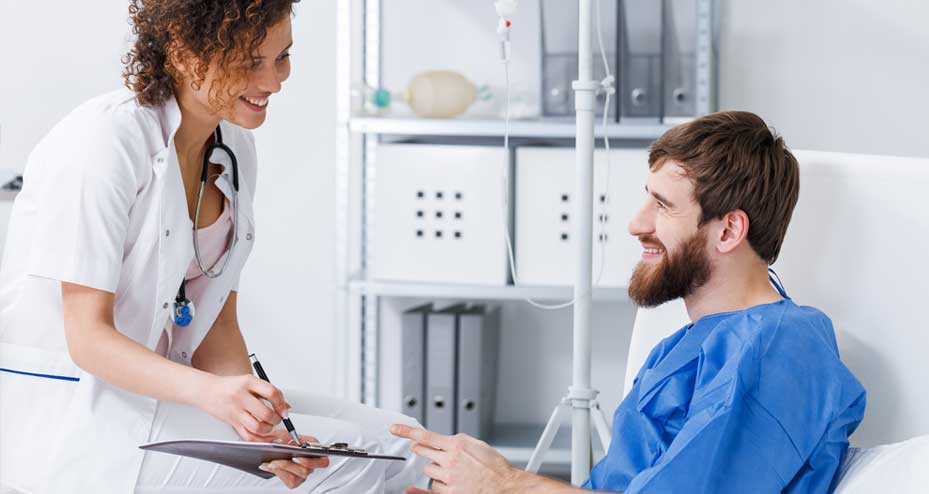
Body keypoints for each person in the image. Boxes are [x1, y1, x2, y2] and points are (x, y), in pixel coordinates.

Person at [0, 2, 425, 493]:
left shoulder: (233, 150)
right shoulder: (103, 140)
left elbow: (217, 325)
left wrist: (254, 424)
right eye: (251, 61)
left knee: (400, 448)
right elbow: (88, 338)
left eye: (281, 57)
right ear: (184, 52)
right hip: (79, 417)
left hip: (165, 400)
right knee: (350, 470)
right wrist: (215, 397)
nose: (273, 81)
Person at [390, 111, 867, 494]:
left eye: (662, 206)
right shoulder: (682, 347)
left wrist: (506, 484)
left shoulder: (780, 347)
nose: (636, 223)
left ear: (728, 230)